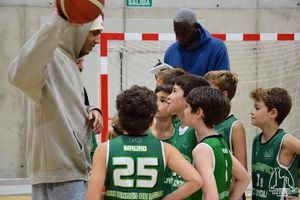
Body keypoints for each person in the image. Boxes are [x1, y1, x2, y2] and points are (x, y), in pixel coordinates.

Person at [6, 10, 104, 199]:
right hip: (60, 178)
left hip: (72, 173)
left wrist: (91, 110)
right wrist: (59, 21)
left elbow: (64, 107)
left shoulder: (68, 61)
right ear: (80, 29)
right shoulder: (50, 57)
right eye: (95, 32)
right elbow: (16, 75)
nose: (98, 40)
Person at [86, 85, 203, 200]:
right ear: (152, 121)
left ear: (120, 119)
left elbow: (92, 197)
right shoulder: (166, 149)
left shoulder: (104, 150)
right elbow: (196, 181)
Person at [184, 86, 250, 199]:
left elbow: (211, 197)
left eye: (187, 107)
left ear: (198, 112)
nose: (184, 111)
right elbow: (244, 179)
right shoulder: (221, 142)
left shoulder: (202, 150)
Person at [250, 87, 300, 199]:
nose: (251, 111)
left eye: (257, 108)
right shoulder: (256, 140)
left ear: (272, 113)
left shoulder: (286, 141)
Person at [165, 74, 210, 198]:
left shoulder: (198, 131)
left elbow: (242, 175)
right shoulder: (176, 126)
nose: (168, 97)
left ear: (189, 98)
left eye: (174, 91)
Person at [164, 8, 230, 76]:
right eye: (176, 32)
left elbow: (223, 84)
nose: (179, 37)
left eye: (184, 33)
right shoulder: (171, 51)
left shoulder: (217, 48)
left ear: (196, 27)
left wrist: (186, 77)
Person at [204, 70, 247, 168]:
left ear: (224, 95)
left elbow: (242, 169)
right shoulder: (203, 121)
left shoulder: (235, 126)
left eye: (209, 90)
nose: (204, 93)